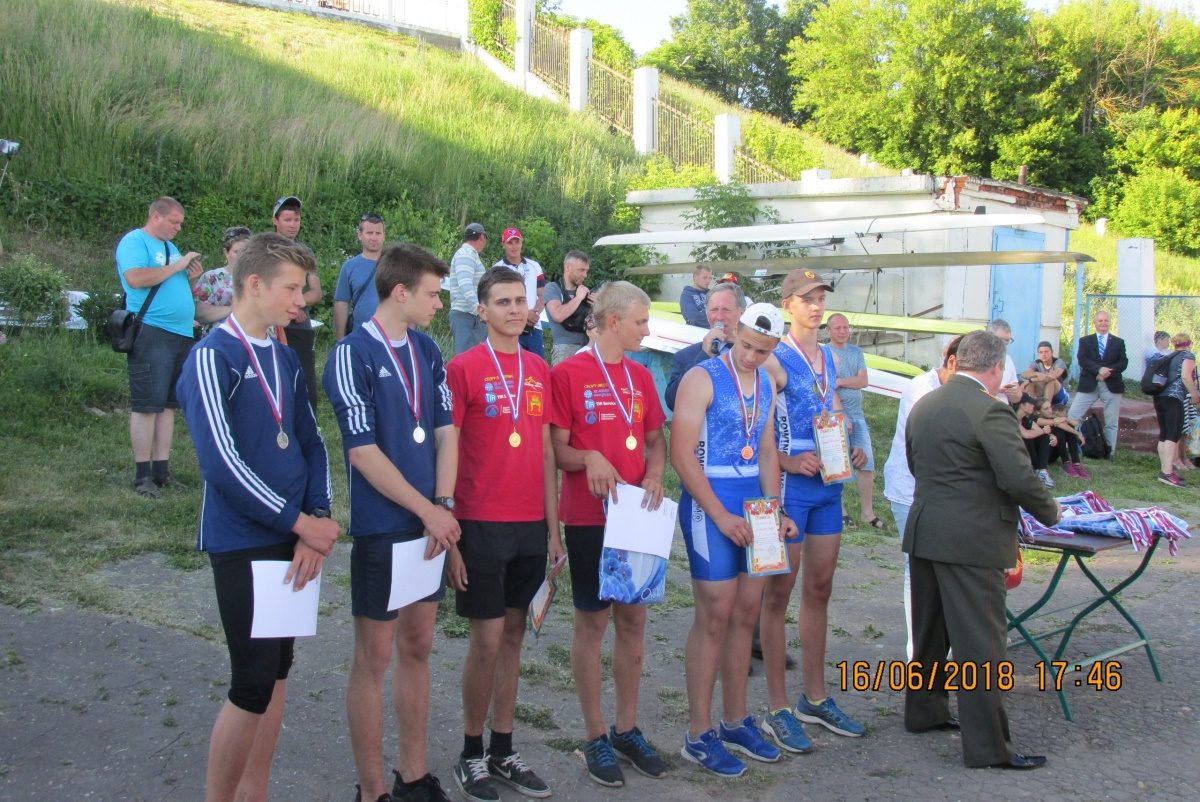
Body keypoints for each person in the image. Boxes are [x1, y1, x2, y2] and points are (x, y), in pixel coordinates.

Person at [175, 232, 340, 802]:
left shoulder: (287, 353)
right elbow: (221, 463)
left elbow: (311, 441)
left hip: (296, 537)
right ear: (254, 284)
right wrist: (299, 525)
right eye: (291, 289)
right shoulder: (211, 356)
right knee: (250, 680)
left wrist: (316, 517)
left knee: (278, 670)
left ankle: (256, 792)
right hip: (243, 539)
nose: (302, 300)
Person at [323, 243, 459, 802]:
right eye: (432, 294)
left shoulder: (428, 349)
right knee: (374, 657)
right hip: (385, 527)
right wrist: (427, 509)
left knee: (420, 646)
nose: (438, 305)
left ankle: (412, 775)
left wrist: (444, 504)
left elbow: (447, 430)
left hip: (430, 525)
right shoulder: (351, 354)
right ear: (400, 292)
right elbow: (362, 451)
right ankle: (372, 788)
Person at [903, 330, 1061, 770]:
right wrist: (1053, 514)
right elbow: (1018, 477)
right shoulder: (990, 411)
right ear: (994, 369)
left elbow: (918, 465)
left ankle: (925, 712)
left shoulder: (925, 405)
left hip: (926, 531)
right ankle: (990, 747)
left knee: (930, 633)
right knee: (982, 646)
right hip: (972, 540)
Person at [445, 267, 560, 802]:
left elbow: (543, 450)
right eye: (503, 302)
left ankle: (504, 748)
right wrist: (450, 529)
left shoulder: (540, 367)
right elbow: (447, 448)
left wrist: (553, 528)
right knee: (486, 640)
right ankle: (470, 753)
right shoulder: (462, 369)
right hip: (480, 522)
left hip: (530, 525)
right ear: (482, 310)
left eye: (521, 300)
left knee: (515, 637)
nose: (515, 309)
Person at [550, 281, 670, 789]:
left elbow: (654, 439)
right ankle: (595, 735)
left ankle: (626, 727)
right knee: (592, 625)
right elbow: (556, 451)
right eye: (642, 321)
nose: (648, 329)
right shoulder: (568, 373)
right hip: (588, 518)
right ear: (615, 321)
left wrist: (656, 474)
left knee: (635, 620)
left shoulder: (642, 376)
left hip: (636, 516)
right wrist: (589, 457)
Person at [672, 303, 794, 777]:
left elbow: (766, 450)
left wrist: (774, 509)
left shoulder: (766, 381)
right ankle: (698, 734)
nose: (750, 356)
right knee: (715, 614)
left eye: (761, 350)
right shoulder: (701, 377)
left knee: (747, 613)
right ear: (733, 331)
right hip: (710, 504)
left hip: (753, 505)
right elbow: (682, 456)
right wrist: (720, 514)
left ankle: (735, 720)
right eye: (745, 345)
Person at [759, 270, 867, 753]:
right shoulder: (775, 359)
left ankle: (814, 698)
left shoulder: (828, 356)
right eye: (807, 298)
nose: (817, 305)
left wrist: (851, 446)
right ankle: (778, 706)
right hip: (790, 489)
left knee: (820, 590)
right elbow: (754, 422)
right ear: (787, 305)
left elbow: (834, 408)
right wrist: (783, 459)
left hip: (829, 484)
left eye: (821, 297)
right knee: (777, 597)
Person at [115, 196, 204, 499]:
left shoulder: (169, 247)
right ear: (156, 216)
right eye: (174, 221)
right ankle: (142, 474)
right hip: (152, 332)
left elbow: (171, 284)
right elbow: (136, 278)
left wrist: (189, 276)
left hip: (179, 333)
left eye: (180, 223)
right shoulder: (134, 241)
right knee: (147, 404)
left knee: (167, 405)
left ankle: (162, 470)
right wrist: (177, 265)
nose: (179, 228)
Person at [881, 334, 963, 661]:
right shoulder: (920, 389)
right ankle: (919, 654)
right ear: (952, 362)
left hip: (943, 493)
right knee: (916, 569)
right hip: (909, 490)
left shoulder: (962, 391)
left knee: (945, 568)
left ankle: (945, 649)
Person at [826, 313, 882, 530]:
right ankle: (840, 510)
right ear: (829, 330)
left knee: (866, 463)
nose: (843, 331)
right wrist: (841, 413)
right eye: (838, 327)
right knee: (838, 463)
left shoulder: (856, 352)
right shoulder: (826, 353)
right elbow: (829, 386)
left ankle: (868, 512)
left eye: (846, 327)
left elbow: (863, 381)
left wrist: (842, 381)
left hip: (857, 414)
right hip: (837, 413)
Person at [272, 196, 323, 415]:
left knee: (305, 379)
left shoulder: (305, 252)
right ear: (275, 220)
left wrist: (299, 306)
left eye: (296, 219)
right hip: (271, 323)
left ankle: (310, 423)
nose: (293, 224)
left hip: (299, 323)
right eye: (287, 219)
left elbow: (316, 291)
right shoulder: (264, 249)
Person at [665, 281, 746, 411]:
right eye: (714, 310)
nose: (719, 317)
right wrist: (704, 356)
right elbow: (673, 402)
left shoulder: (757, 353)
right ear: (707, 314)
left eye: (726, 310)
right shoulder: (687, 356)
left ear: (741, 313)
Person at [1067, 311, 1128, 454]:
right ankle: (1073, 445)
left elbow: (1123, 362)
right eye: (1100, 321)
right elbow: (1083, 360)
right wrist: (1099, 369)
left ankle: (1109, 451)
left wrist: (1108, 372)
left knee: (1111, 422)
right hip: (1089, 384)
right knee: (1073, 415)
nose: (1103, 323)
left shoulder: (1119, 342)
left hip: (1111, 385)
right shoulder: (1085, 341)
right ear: (1095, 323)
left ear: (1110, 322)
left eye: (1106, 320)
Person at [492, 227, 546, 359]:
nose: (514, 246)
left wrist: (535, 312)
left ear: (522, 242)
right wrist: (524, 313)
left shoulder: (534, 266)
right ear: (503, 244)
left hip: (534, 327)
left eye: (517, 241)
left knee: (537, 369)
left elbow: (543, 294)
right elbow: (496, 300)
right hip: (509, 327)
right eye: (510, 242)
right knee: (511, 370)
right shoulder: (497, 269)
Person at [1152, 333, 1198, 487]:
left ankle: (1164, 469)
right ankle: (1167, 473)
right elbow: (1186, 377)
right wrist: (1194, 394)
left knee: (1164, 434)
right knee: (1173, 434)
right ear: (1189, 343)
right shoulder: (1188, 355)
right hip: (1174, 397)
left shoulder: (1169, 355)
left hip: (1159, 396)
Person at [332, 213, 387, 340]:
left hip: (389, 336)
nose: (374, 238)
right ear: (360, 235)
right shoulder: (349, 267)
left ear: (384, 236)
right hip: (359, 335)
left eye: (378, 233)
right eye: (369, 233)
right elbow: (341, 303)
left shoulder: (395, 265)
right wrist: (341, 340)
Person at [193, 226, 250, 334]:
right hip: (219, 338)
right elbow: (197, 312)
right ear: (226, 252)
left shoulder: (260, 279)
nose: (242, 257)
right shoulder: (212, 277)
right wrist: (233, 309)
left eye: (246, 252)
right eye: (236, 252)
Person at [544, 250, 591, 364]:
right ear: (567, 267)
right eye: (581, 270)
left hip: (588, 347)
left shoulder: (584, 292)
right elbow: (558, 315)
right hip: (564, 349)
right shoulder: (553, 288)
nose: (585, 275)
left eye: (586, 271)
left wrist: (597, 305)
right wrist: (578, 298)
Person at [448, 222, 489, 355]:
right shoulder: (466, 254)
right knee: (467, 360)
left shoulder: (469, 254)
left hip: (471, 315)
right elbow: (465, 285)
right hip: (465, 315)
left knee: (476, 360)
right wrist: (478, 309)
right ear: (482, 237)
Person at [1037, 399, 1089, 479]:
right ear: (1038, 411)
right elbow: (1058, 424)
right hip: (1045, 455)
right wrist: (1065, 419)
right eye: (1046, 409)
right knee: (1059, 430)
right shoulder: (1037, 419)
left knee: (1068, 428)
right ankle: (1066, 463)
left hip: (1054, 450)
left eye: (1050, 407)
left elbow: (1073, 424)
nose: (1050, 410)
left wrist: (1078, 433)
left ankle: (1076, 463)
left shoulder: (1052, 417)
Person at [1017, 394, 1056, 488]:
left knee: (1044, 436)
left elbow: (1038, 430)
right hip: (1014, 452)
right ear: (1022, 405)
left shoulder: (1025, 418)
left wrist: (1050, 435)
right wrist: (1043, 431)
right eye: (1030, 403)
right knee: (1029, 437)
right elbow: (1025, 434)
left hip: (1027, 451)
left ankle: (1042, 471)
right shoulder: (1012, 417)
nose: (1033, 406)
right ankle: (1036, 470)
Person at [987, 319, 1022, 404]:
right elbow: (972, 389)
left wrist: (1015, 394)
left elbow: (1017, 398)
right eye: (1001, 341)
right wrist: (997, 390)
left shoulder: (1008, 360)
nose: (1004, 346)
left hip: (1002, 411)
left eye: (1007, 342)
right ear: (989, 337)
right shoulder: (979, 357)